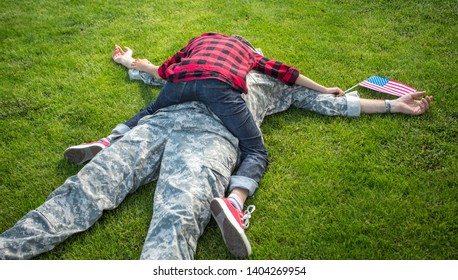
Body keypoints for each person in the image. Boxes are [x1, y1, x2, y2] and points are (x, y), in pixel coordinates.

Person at [0, 43, 432, 260]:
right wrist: (128, 59)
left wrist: (395, 104)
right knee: (90, 188)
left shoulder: (267, 80)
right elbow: (154, 70)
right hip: (183, 128)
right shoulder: (263, 75)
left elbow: (332, 102)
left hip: (203, 138)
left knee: (175, 214)